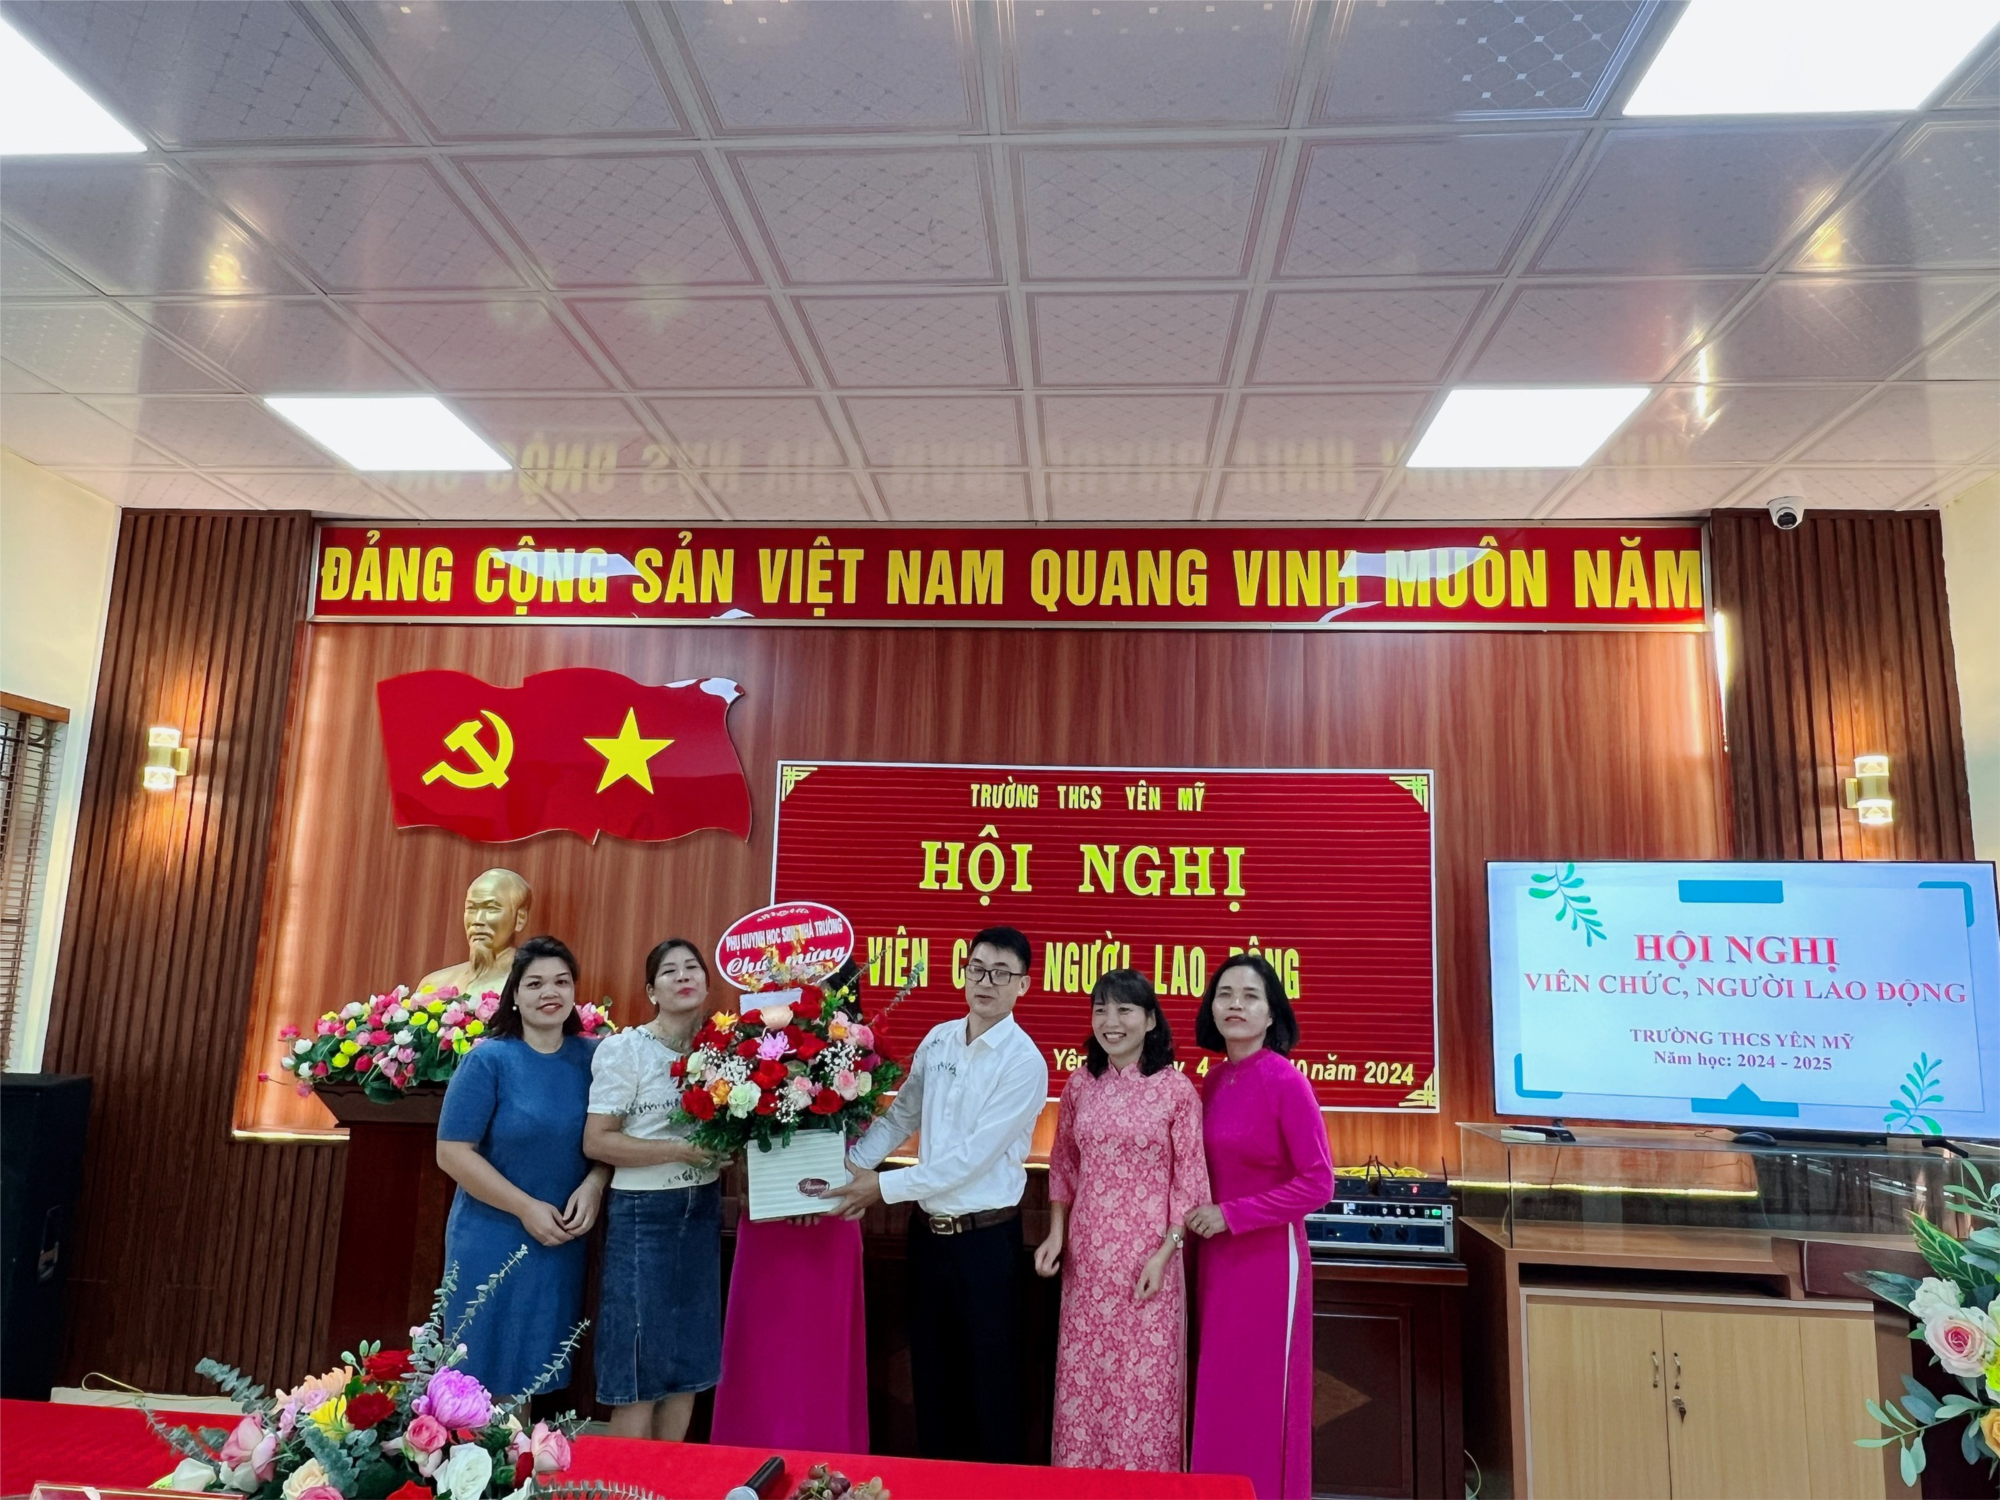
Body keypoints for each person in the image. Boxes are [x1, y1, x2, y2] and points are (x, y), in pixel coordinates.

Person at [828, 926, 1046, 1463]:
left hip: (986, 1244)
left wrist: (880, 1187)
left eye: (1001, 973)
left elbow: (972, 1159)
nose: (986, 982)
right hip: (927, 1239)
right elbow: (900, 1117)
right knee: (932, 1384)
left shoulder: (1024, 1062)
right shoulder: (940, 1039)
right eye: (978, 969)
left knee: (990, 1393)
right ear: (964, 973)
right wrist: (849, 1168)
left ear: (1023, 984)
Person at [1035, 968, 1208, 1471]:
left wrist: (1166, 1251)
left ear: (1150, 1020)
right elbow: (1064, 1165)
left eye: (1124, 1010)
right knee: (1084, 1384)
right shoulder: (1080, 1085)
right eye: (1101, 1010)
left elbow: (1189, 1181)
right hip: (1087, 1263)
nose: (1111, 1022)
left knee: (1145, 1389)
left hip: (1150, 1265)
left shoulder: (1176, 1090)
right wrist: (1056, 1234)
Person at [1186, 953, 1334, 1500]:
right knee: (1217, 1392)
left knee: (1259, 1400)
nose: (1236, 1005)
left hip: (1267, 1263)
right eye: (1225, 994)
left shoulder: (1285, 1081)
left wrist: (1233, 1215)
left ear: (1272, 1013)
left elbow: (1318, 1183)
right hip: (1213, 1260)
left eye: (1250, 996)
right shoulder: (1212, 1081)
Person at [435, 934, 607, 1400]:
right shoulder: (488, 1059)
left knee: (536, 1374)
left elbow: (609, 1138)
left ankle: (526, 1451)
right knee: (477, 1381)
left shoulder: (595, 1058)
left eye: (561, 982)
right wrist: (525, 1207)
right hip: (492, 1235)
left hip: (560, 1241)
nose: (550, 992)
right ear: (514, 994)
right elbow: (451, 1153)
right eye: (535, 983)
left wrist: (595, 1182)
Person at [583, 939, 727, 1440]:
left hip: (703, 1210)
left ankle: (671, 1477)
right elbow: (597, 1140)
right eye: (670, 971)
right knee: (639, 1369)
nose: (683, 977)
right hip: (644, 1214)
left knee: (688, 1367)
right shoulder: (626, 1050)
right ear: (651, 991)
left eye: (692, 968)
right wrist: (680, 1151)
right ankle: (628, 1480)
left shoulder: (725, 1052)